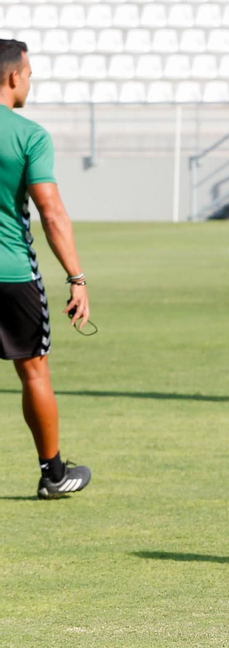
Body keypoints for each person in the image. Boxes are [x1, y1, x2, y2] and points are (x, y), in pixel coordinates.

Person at [0, 41, 91, 499]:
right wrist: (76, 277)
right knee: (33, 371)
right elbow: (51, 212)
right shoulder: (29, 134)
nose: (29, 82)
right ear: (13, 77)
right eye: (29, 74)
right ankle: (53, 475)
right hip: (12, 273)